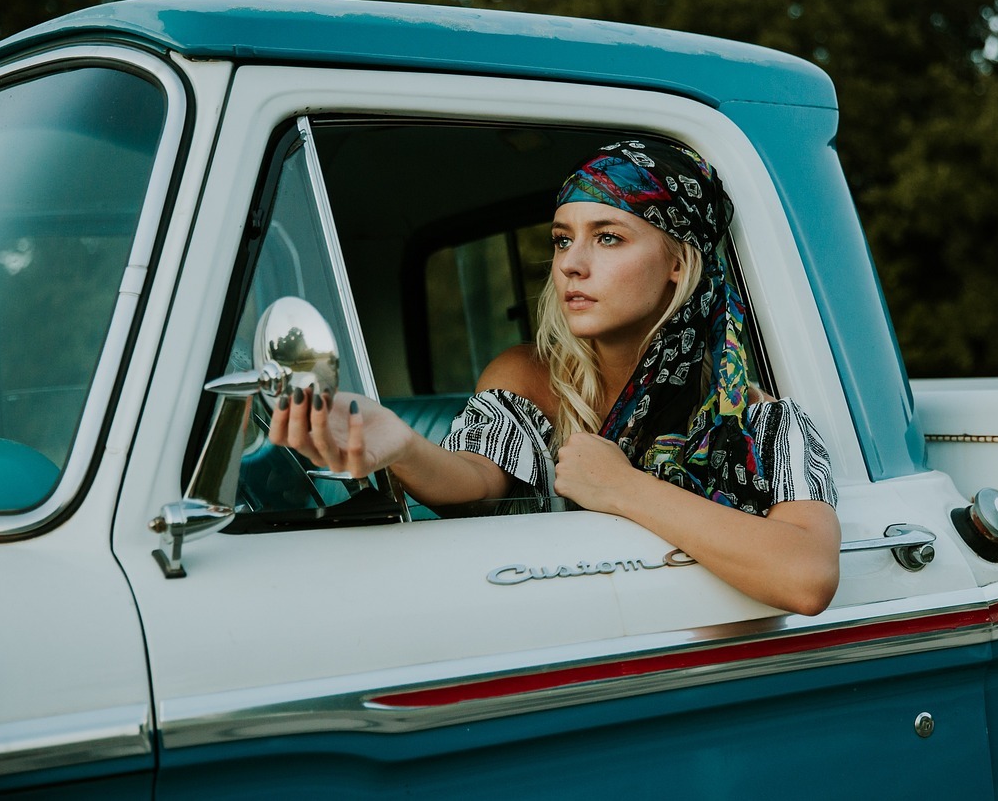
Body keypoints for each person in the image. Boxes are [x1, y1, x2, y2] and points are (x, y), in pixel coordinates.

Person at [269, 137, 840, 615]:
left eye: (608, 236)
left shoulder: (759, 421)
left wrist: (621, 487)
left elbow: (806, 577)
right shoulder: (527, 376)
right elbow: (475, 480)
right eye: (564, 238)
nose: (570, 263)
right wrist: (401, 444)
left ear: (677, 262)